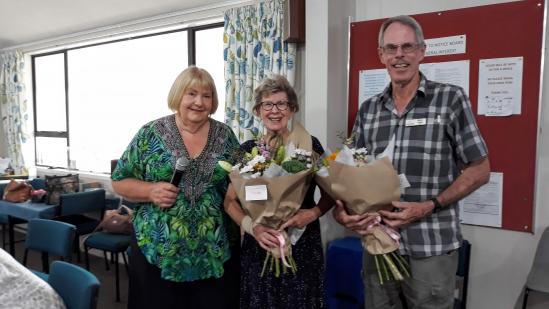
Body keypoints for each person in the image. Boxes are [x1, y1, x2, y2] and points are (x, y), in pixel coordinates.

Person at [333, 15, 490, 309]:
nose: (399, 55)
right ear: (381, 55)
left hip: (430, 245)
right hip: (378, 244)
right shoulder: (369, 110)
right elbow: (349, 174)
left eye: (407, 47)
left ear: (422, 51)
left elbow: (480, 170)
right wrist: (343, 214)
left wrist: (430, 206)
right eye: (391, 48)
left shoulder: (450, 100)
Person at [111, 66, 240, 309]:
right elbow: (119, 180)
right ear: (178, 95)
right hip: (158, 251)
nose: (199, 102)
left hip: (214, 252)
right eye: (191, 94)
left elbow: (240, 183)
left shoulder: (225, 135)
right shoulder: (150, 133)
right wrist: (150, 191)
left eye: (207, 95)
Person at [224, 75, 334, 309]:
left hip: (301, 245)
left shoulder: (310, 145)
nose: (275, 110)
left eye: (282, 104)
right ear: (257, 110)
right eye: (267, 104)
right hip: (259, 244)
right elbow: (229, 202)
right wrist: (252, 227)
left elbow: (332, 192)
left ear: (292, 109)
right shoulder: (246, 151)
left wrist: (312, 213)